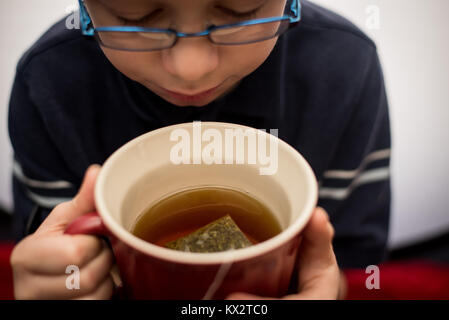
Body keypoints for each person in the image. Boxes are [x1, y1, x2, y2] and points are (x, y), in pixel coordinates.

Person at [8, 0, 390, 299]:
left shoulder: (344, 71)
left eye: (241, 13)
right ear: (85, 8)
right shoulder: (48, 86)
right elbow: (50, 259)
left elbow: (361, 271)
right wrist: (61, 279)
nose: (190, 68)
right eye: (135, 17)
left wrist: (330, 289)